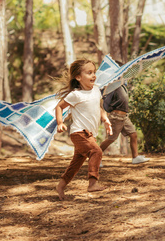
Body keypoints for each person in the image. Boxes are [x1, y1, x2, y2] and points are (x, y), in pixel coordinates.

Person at [54, 59, 113, 200]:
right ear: (78, 77)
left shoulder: (96, 91)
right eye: (89, 73)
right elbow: (59, 107)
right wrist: (60, 122)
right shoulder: (76, 95)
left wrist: (105, 119)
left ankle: (60, 186)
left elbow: (98, 107)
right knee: (96, 151)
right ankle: (93, 184)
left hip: (89, 134)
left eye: (94, 72)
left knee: (76, 163)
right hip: (79, 132)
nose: (93, 75)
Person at [100, 83, 150, 164]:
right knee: (111, 139)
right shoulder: (113, 85)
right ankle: (95, 157)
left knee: (133, 134)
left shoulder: (122, 86)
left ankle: (135, 157)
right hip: (116, 117)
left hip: (125, 117)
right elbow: (105, 99)